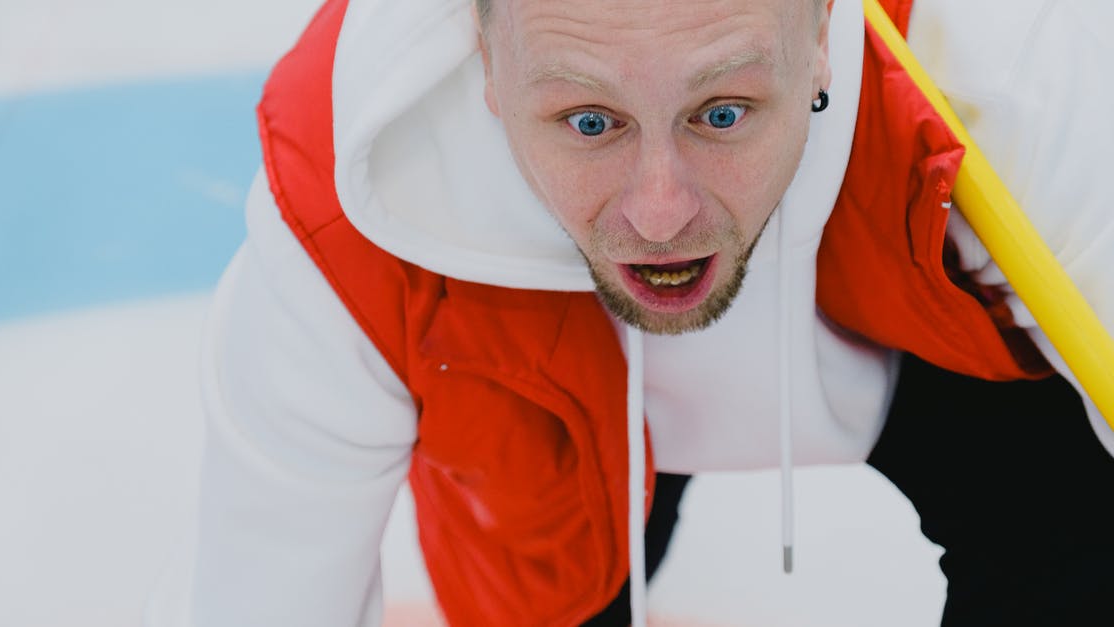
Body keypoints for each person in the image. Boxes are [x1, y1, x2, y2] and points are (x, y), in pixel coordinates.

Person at [149, 0, 1114, 625]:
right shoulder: (349, 196)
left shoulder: (1012, 86)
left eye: (724, 110)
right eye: (590, 121)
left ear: (823, 35)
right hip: (537, 408)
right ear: (484, 57)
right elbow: (266, 595)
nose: (662, 213)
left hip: (929, 322)